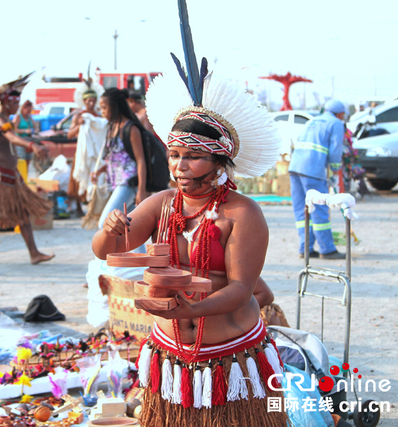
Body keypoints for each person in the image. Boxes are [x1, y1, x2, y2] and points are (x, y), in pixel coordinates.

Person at [92, 53, 287, 425]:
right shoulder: (162, 204)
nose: (180, 166)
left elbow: (242, 289)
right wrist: (109, 229)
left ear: (220, 161)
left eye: (194, 157)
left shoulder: (242, 213)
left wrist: (192, 309)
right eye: (175, 155)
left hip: (230, 356)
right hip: (169, 354)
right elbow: (107, 252)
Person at [0, 75, 55, 265]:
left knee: (22, 213)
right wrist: (32, 146)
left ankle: (34, 253)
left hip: (10, 175)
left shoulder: (4, 120)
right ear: (6, 103)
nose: (17, 106)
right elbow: (12, 138)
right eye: (15, 102)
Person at [289, 99, 346, 260]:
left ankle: (305, 248)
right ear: (340, 113)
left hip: (295, 167)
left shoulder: (313, 121)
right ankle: (327, 249)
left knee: (303, 210)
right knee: (320, 208)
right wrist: (335, 172)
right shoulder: (336, 123)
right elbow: (336, 150)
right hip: (312, 169)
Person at [91, 88, 149, 230]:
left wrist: (142, 190)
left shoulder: (130, 128)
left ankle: (102, 253)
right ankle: (137, 253)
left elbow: (140, 160)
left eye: (104, 108)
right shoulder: (113, 127)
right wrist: (99, 171)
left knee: (105, 222)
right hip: (117, 183)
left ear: (115, 106)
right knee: (129, 227)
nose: (102, 111)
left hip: (129, 183)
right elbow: (117, 159)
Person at [68, 86, 103, 217]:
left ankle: (93, 206)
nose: (91, 103)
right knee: (78, 180)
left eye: (93, 100)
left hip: (95, 153)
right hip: (82, 153)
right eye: (88, 100)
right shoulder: (78, 116)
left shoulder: (98, 116)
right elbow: (70, 134)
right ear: (84, 101)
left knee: (94, 180)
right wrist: (79, 125)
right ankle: (78, 207)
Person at [11, 99, 36, 168]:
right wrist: (25, 131)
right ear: (23, 109)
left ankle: (25, 175)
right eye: (28, 110)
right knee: (22, 160)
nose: (29, 112)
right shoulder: (18, 117)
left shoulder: (29, 117)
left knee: (28, 159)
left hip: (28, 141)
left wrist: (34, 130)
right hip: (20, 141)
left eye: (30, 110)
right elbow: (14, 129)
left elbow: (35, 126)